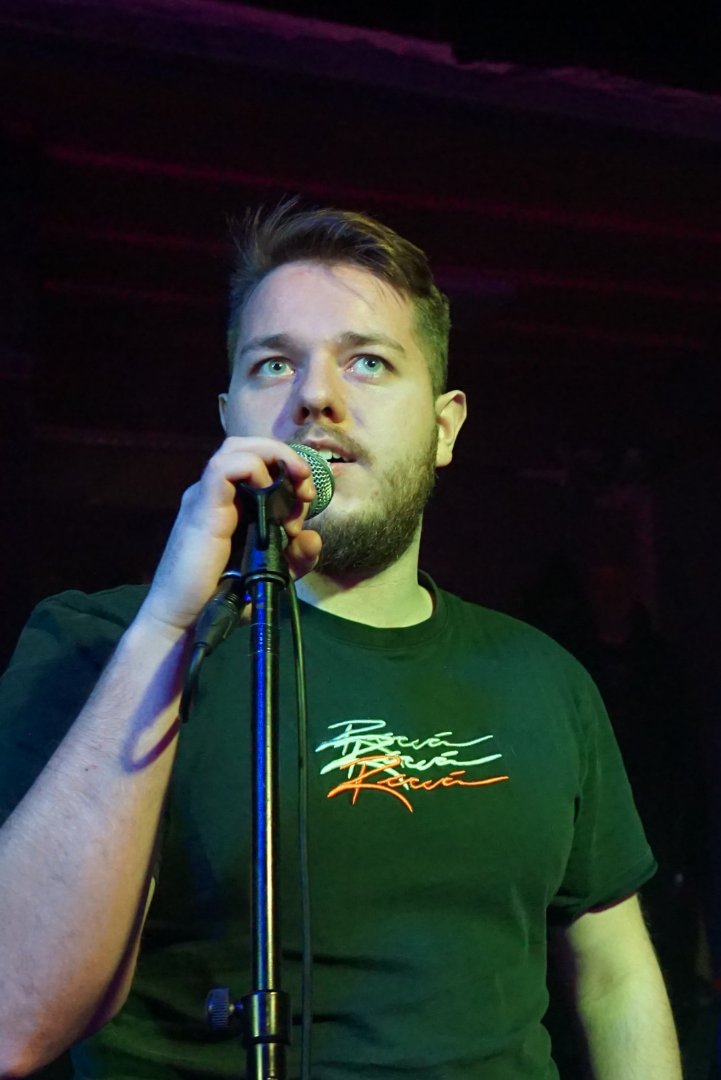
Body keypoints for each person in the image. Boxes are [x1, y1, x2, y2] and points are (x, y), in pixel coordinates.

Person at [0, 203, 682, 1078]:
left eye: (367, 362)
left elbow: (616, 978)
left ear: (444, 427)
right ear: (229, 417)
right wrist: (167, 626)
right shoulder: (95, 644)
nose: (315, 396)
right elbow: (14, 1020)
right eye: (273, 363)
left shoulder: (542, 678)